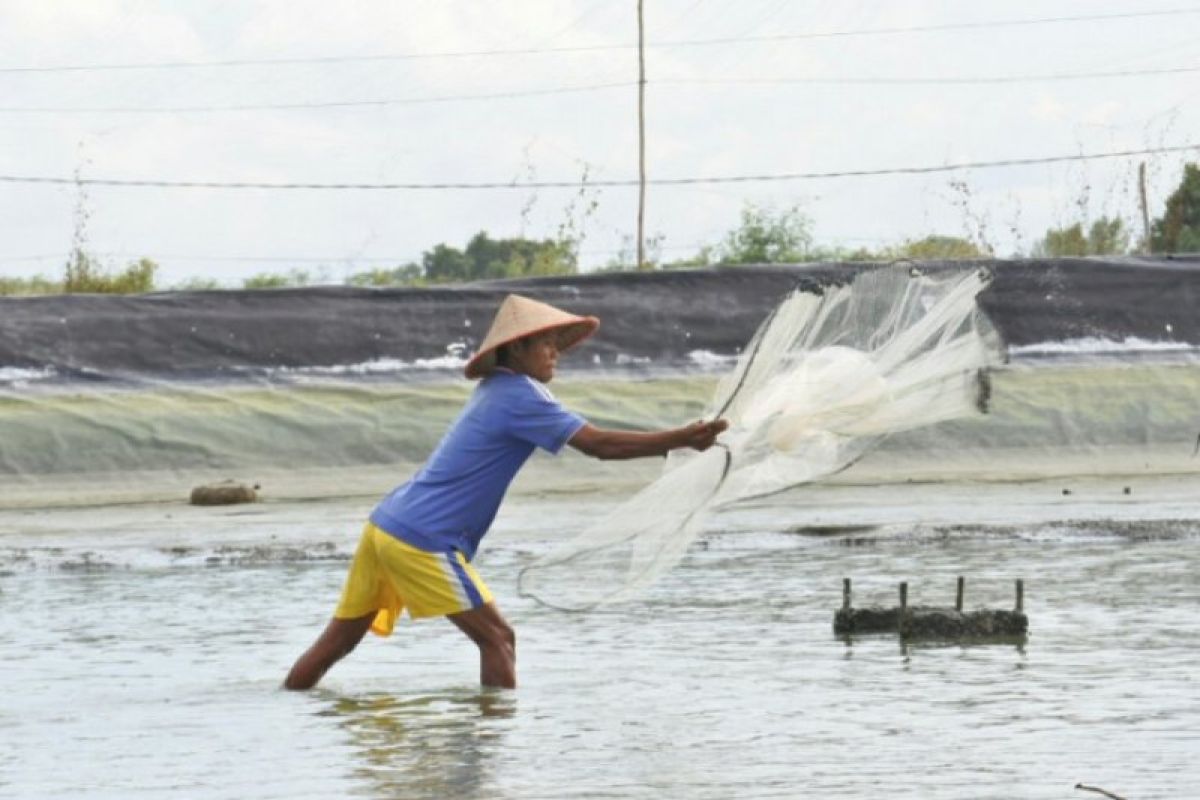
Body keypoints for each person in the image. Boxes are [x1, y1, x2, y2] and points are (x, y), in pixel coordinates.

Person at [284, 293, 728, 690]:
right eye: (546, 343)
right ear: (517, 348)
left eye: (558, 342)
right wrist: (682, 438)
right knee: (498, 638)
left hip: (386, 525)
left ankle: (289, 710)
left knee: (340, 639)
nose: (556, 353)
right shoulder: (519, 396)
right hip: (422, 537)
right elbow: (599, 446)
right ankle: (489, 756)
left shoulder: (498, 389)